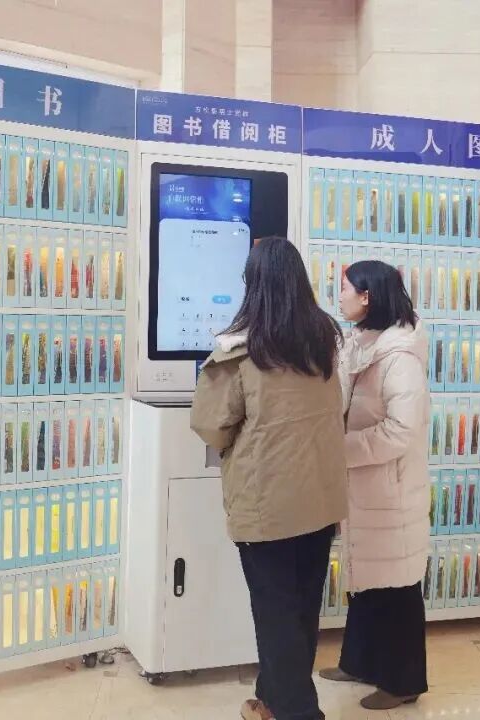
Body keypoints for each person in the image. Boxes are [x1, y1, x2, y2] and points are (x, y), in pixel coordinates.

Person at [191, 237, 349, 720]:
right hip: (321, 500)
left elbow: (210, 425)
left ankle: (300, 713)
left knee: (275, 614)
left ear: (253, 285)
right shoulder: (324, 341)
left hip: (268, 506)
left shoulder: (240, 352)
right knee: (300, 609)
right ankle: (272, 701)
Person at [319, 259, 430, 711]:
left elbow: (401, 431)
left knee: (397, 587)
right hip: (367, 488)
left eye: (345, 288)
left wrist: (342, 449)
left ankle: (404, 682)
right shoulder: (361, 342)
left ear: (367, 297)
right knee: (366, 580)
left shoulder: (399, 356)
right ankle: (360, 662)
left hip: (390, 491)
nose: (339, 296)